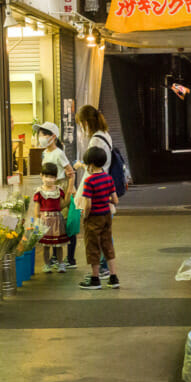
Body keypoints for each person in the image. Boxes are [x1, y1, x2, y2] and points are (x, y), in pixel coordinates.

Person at [74, 105, 114, 274]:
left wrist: (80, 165)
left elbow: (93, 168)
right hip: (104, 191)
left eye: (80, 124)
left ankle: (99, 271)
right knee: (105, 231)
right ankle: (108, 270)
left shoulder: (96, 140)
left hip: (95, 193)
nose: (81, 128)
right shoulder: (106, 135)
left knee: (95, 234)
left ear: (85, 123)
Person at [34, 122, 77, 268]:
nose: (40, 137)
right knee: (52, 225)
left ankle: (70, 259)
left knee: (65, 224)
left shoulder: (59, 153)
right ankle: (54, 258)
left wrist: (69, 192)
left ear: (53, 137)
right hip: (49, 189)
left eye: (43, 134)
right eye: (39, 134)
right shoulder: (45, 152)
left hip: (60, 188)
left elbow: (71, 173)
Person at [77, 146, 119, 290]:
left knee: (93, 247)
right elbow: (115, 200)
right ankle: (114, 277)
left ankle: (95, 279)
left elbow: (87, 204)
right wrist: (104, 199)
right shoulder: (108, 178)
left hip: (93, 217)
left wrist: (85, 214)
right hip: (106, 216)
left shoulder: (89, 181)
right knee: (108, 245)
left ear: (91, 164)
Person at [33, 163, 71, 272]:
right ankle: (47, 264)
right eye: (47, 176)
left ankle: (61, 264)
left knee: (59, 245)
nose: (49, 179)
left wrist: (69, 192)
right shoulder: (39, 191)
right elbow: (37, 207)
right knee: (46, 245)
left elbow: (62, 204)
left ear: (56, 178)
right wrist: (37, 221)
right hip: (44, 220)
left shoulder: (59, 190)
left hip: (57, 219)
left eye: (52, 177)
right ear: (41, 176)